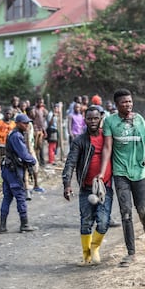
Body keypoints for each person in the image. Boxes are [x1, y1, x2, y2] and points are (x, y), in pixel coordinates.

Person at [97, 88, 145, 267]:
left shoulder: (139, 119)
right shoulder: (110, 122)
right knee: (126, 213)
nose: (128, 104)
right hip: (121, 173)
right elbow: (107, 148)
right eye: (124, 102)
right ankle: (131, 253)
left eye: (130, 101)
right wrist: (102, 173)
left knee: (143, 210)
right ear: (117, 105)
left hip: (139, 171)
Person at [62, 106, 114, 266]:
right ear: (85, 120)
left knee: (104, 221)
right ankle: (86, 257)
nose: (92, 121)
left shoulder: (108, 137)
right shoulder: (79, 141)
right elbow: (71, 162)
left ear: (101, 119)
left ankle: (94, 247)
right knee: (86, 221)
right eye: (89, 118)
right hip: (86, 189)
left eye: (95, 118)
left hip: (104, 187)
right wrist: (67, 184)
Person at [0, 113, 37, 233]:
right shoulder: (16, 136)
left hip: (7, 169)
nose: (27, 125)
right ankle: (24, 224)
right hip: (13, 171)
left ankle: (2, 225)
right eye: (24, 123)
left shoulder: (14, 134)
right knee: (20, 197)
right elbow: (23, 154)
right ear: (18, 123)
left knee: (7, 197)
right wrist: (33, 160)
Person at [0, 108, 16, 189]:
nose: (8, 115)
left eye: (10, 114)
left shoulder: (13, 124)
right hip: (0, 145)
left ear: (12, 115)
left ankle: (8, 181)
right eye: (7, 113)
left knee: (9, 164)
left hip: (9, 146)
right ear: (4, 113)